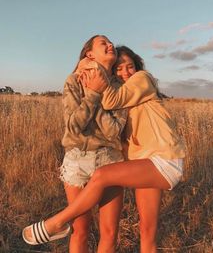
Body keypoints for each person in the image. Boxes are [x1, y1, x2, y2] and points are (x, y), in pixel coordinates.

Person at [23, 44, 185, 253]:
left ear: (137, 67)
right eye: (118, 68)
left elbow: (109, 101)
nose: (125, 72)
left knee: (101, 176)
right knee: (147, 232)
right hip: (143, 164)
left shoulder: (142, 79)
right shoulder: (124, 92)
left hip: (164, 159)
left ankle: (56, 223)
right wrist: (90, 69)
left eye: (129, 67)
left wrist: (97, 77)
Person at [22, 35, 127, 253]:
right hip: (78, 161)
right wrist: (92, 93)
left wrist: (98, 89)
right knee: (80, 230)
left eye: (110, 43)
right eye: (103, 43)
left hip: (111, 160)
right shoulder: (74, 81)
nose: (110, 45)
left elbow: (113, 130)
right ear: (89, 54)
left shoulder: (121, 86)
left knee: (109, 232)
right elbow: (73, 127)